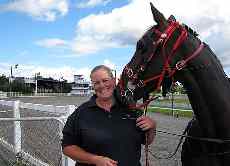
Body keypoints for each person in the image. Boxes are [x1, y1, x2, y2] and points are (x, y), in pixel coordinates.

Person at [62, 65, 157, 166]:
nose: (102, 85)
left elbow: (147, 141)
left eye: (105, 80)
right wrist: (95, 160)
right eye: (96, 83)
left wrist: (152, 127)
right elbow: (67, 147)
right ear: (93, 86)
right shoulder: (81, 113)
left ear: (114, 81)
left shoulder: (132, 109)